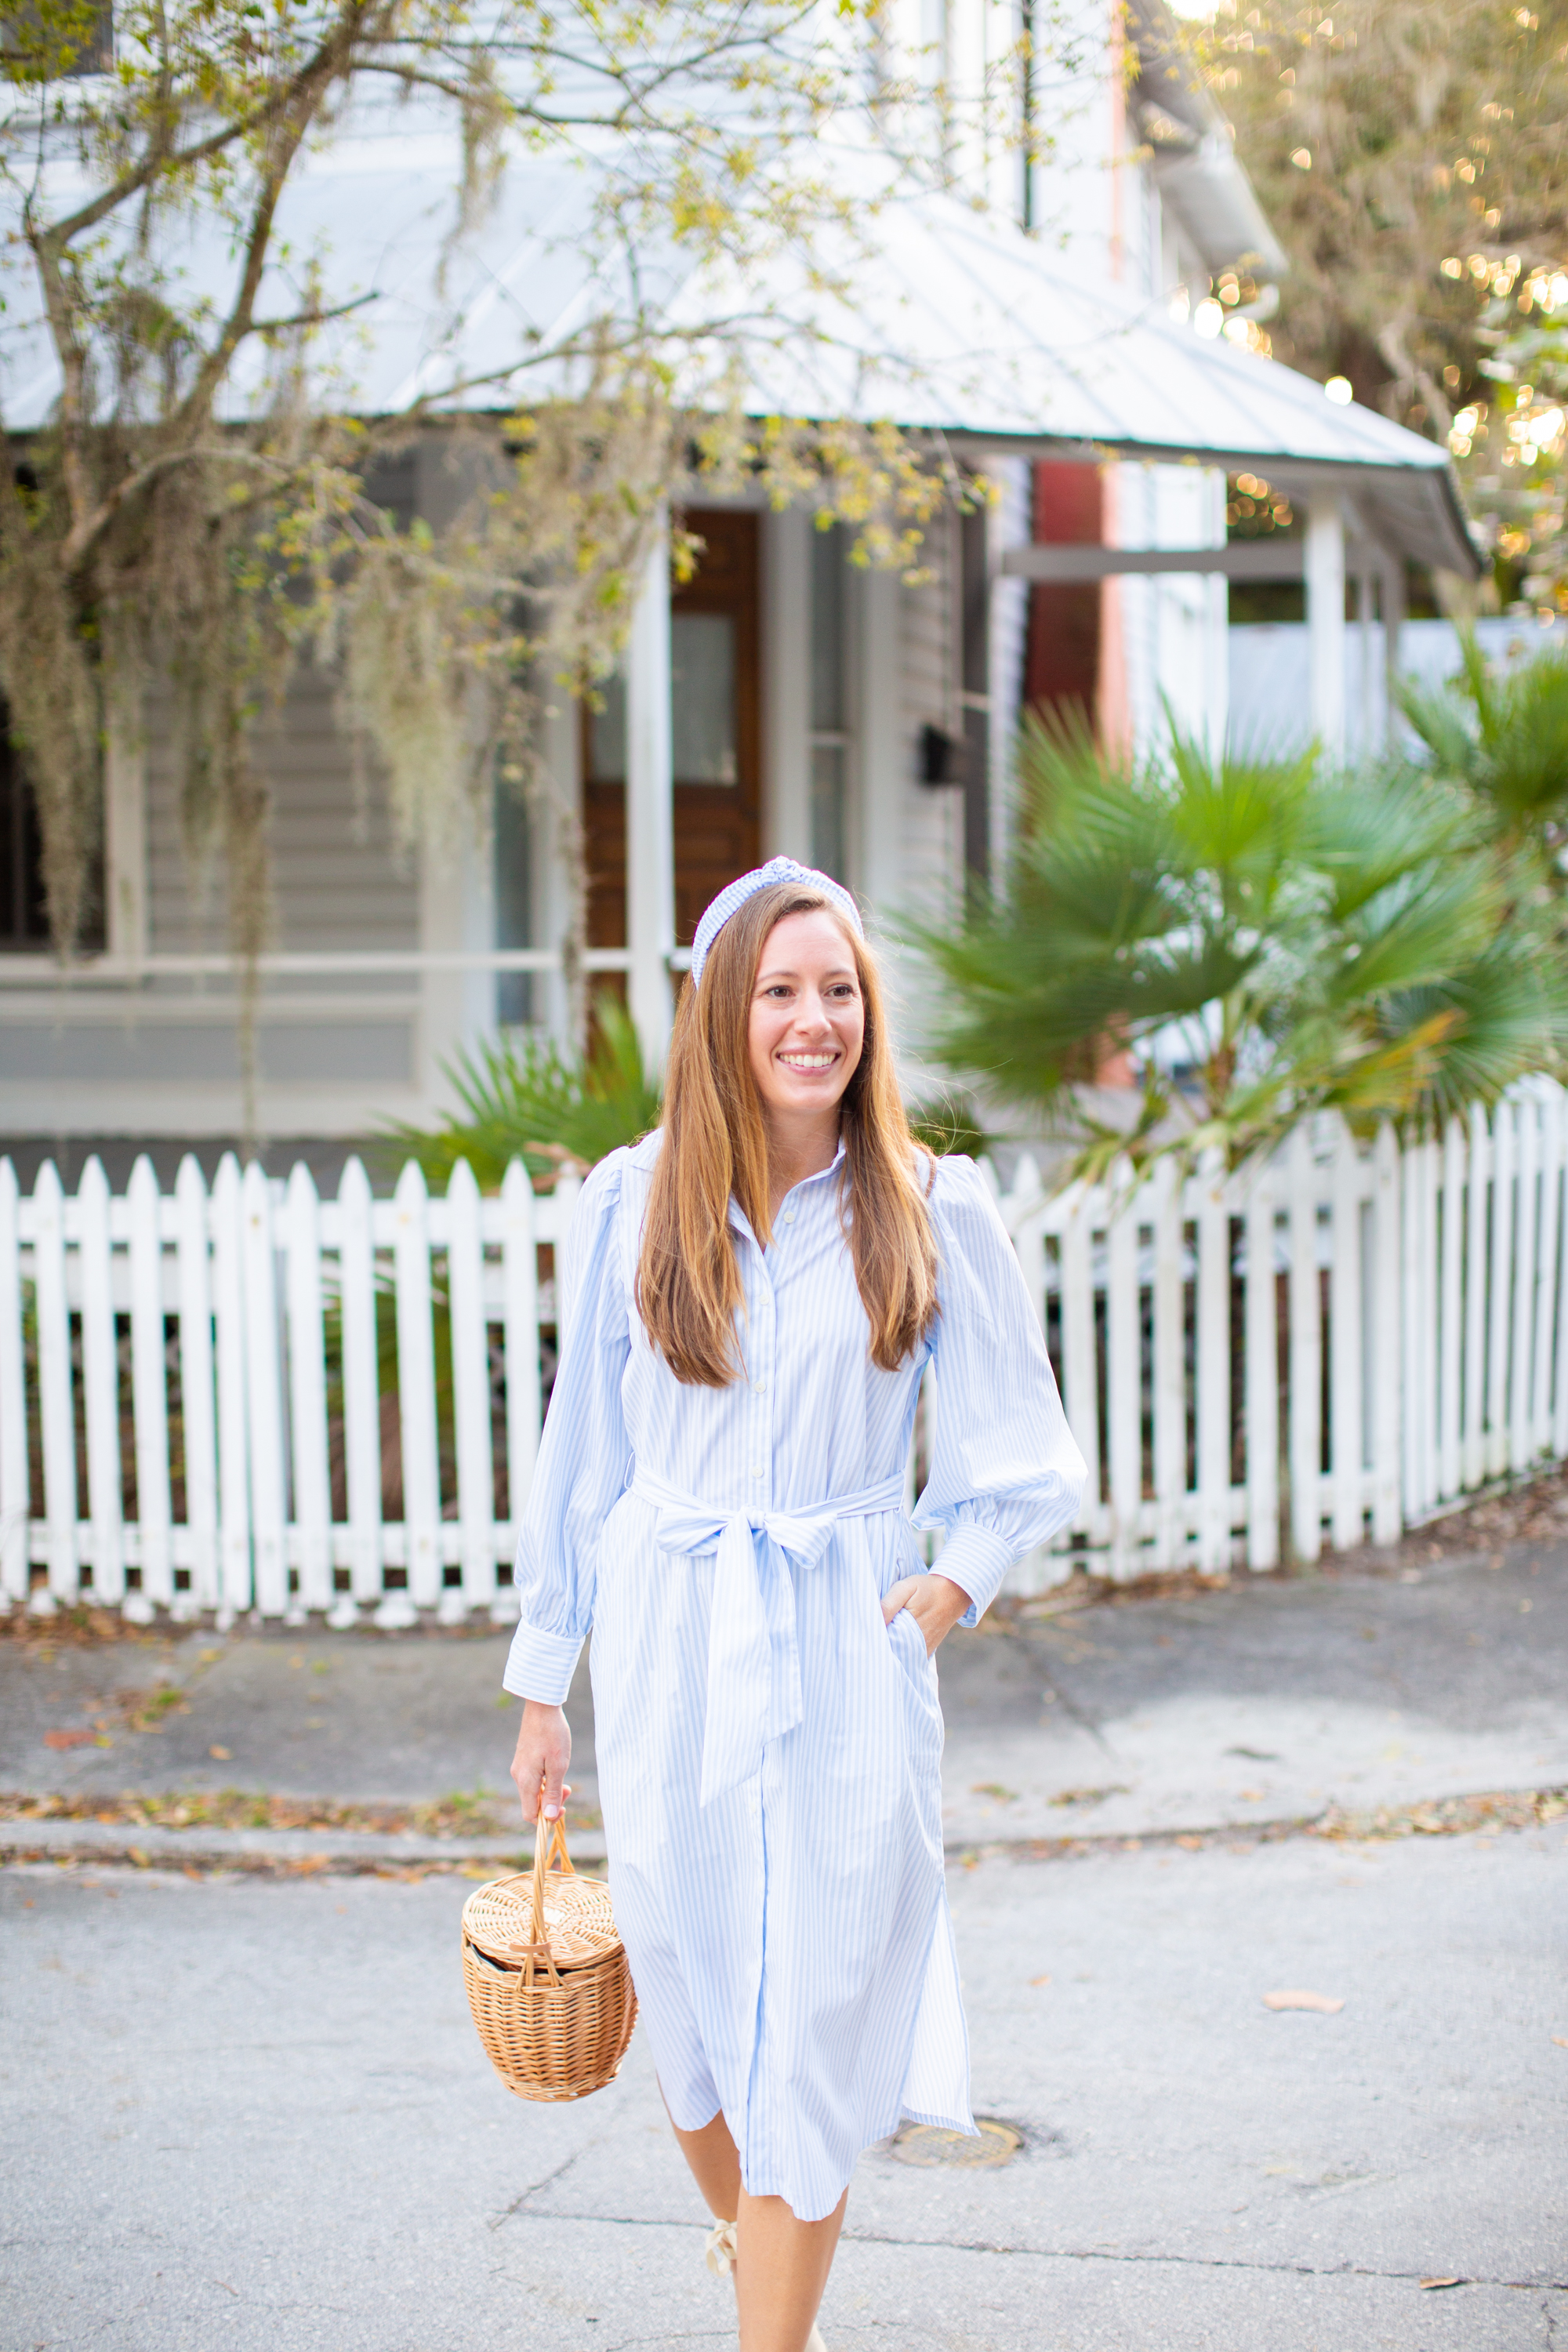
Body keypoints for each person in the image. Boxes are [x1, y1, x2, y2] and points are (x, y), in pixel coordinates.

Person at [505, 855, 1085, 2352]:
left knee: (814, 2029)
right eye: (780, 990)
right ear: (723, 1013)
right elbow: (584, 1458)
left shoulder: (930, 1206)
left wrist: (942, 1592)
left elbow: (1020, 1455)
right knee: (693, 2030)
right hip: (668, 1638)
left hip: (846, 1639)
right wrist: (541, 1682)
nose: (813, 1019)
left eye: (838, 991)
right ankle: (762, 2246)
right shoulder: (632, 1202)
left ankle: (776, 2320)